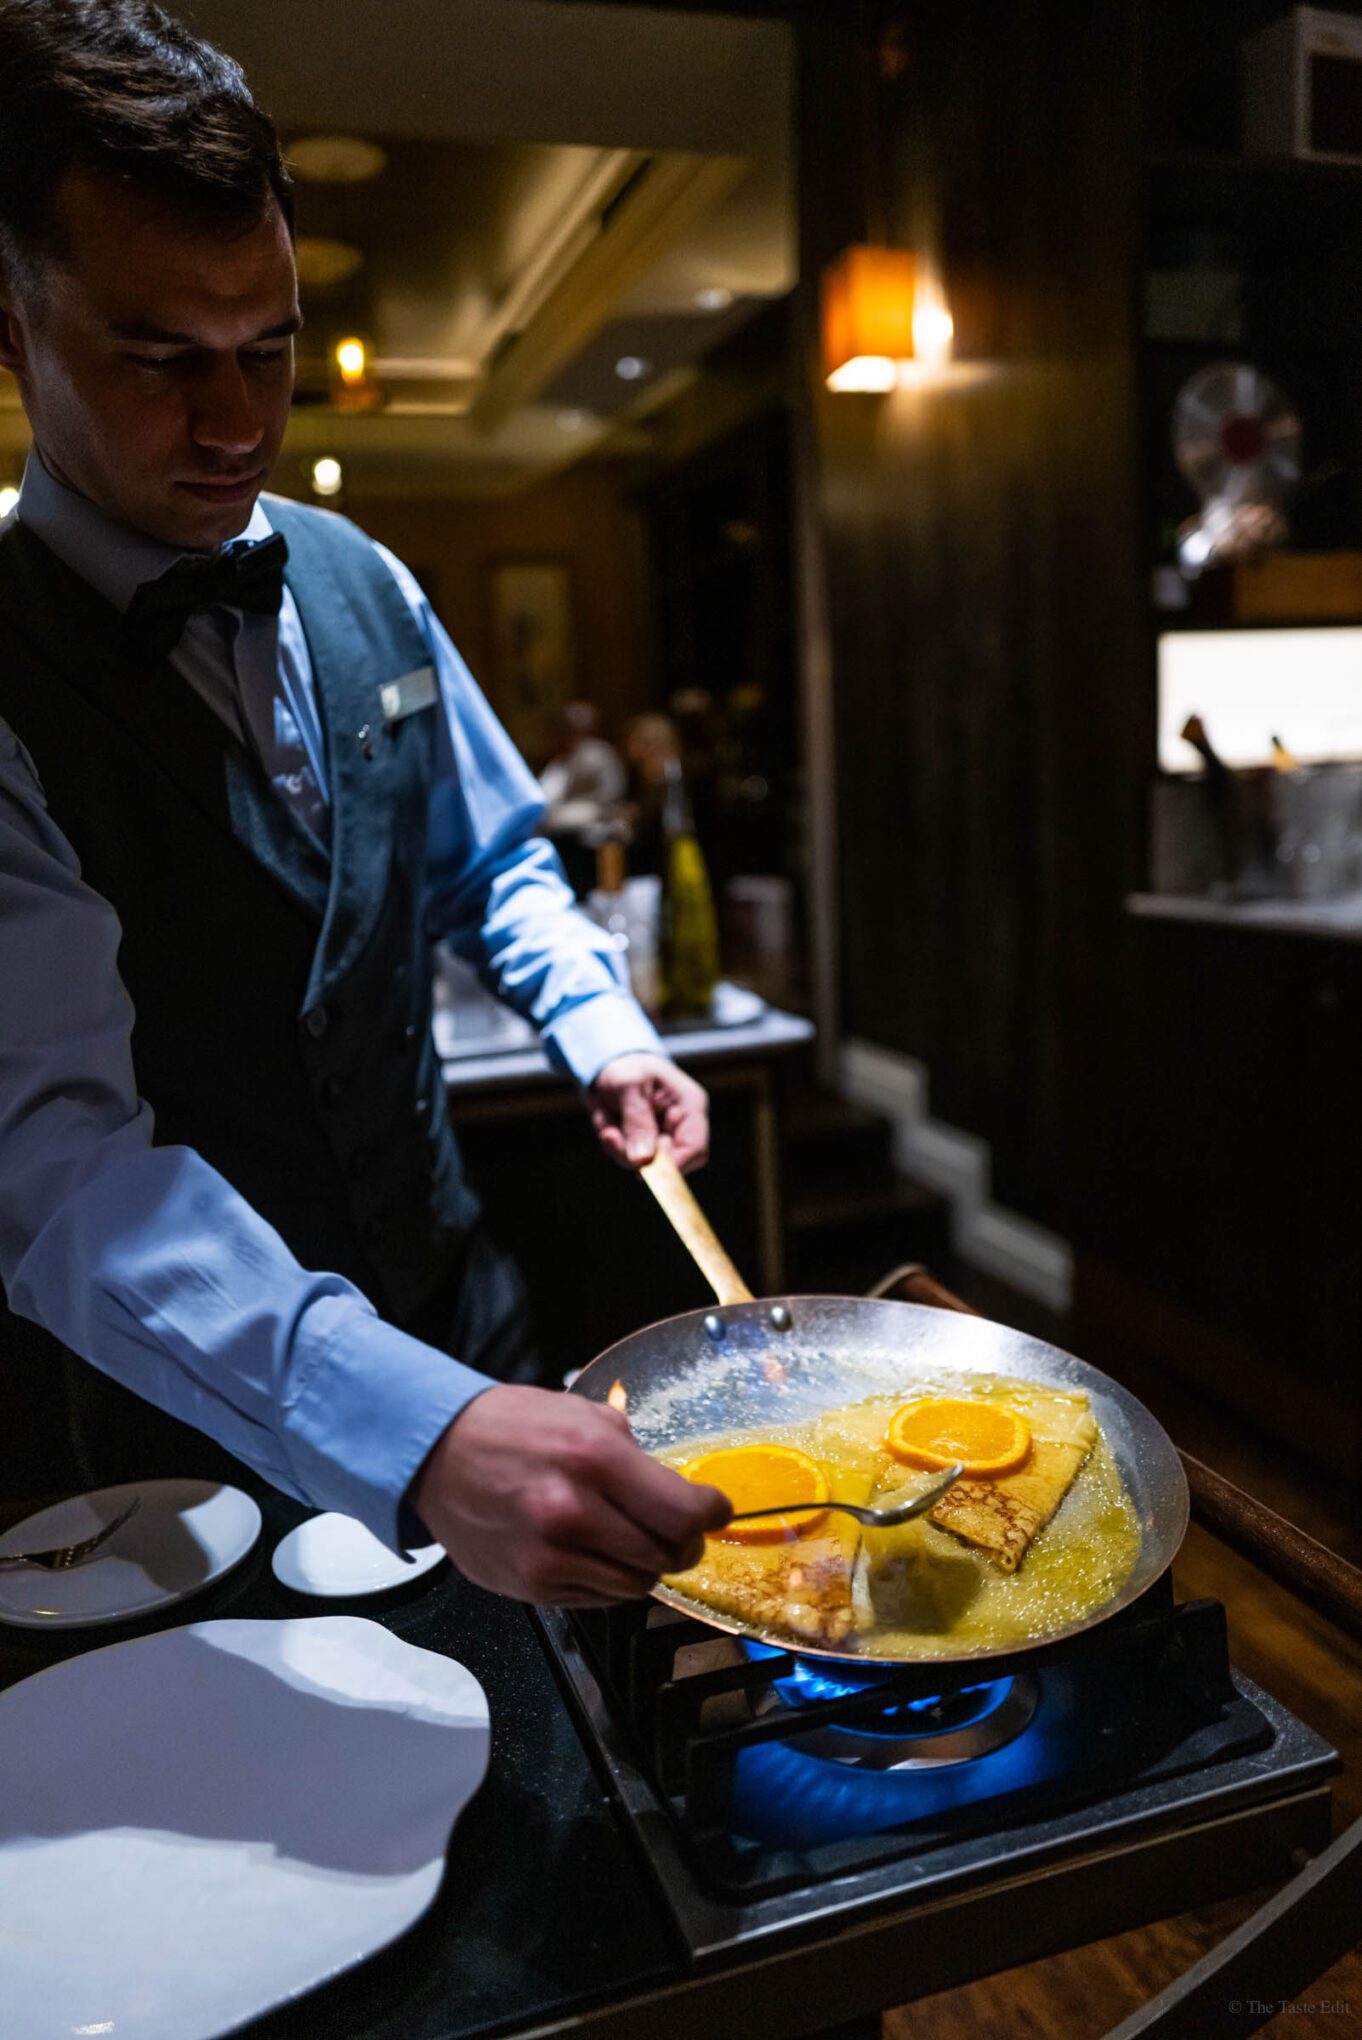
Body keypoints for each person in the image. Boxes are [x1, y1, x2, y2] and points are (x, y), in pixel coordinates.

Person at [0, 0, 728, 1605]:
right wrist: (399, 1424)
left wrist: (603, 1029)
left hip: (469, 1321)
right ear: (17, 326)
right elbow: (57, 1158)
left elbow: (497, 861)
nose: (238, 423)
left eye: (266, 349)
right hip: (182, 1435)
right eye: (161, 360)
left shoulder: (367, 581)